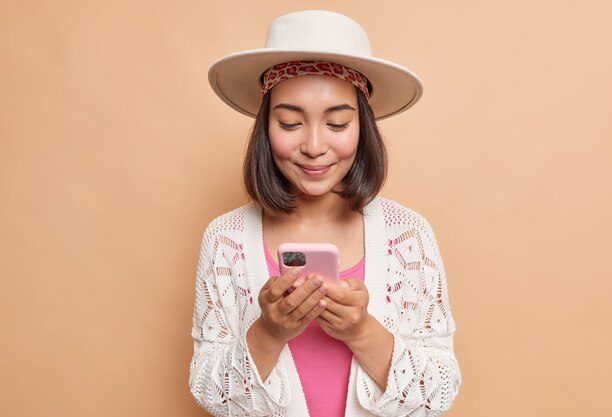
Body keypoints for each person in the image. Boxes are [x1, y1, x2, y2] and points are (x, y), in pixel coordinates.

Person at [189, 10, 461, 417]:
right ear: (265, 128)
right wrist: (268, 332)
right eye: (290, 122)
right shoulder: (225, 238)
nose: (314, 145)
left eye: (336, 123)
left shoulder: (408, 236)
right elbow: (210, 392)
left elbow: (438, 392)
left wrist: (361, 331)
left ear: (362, 128)